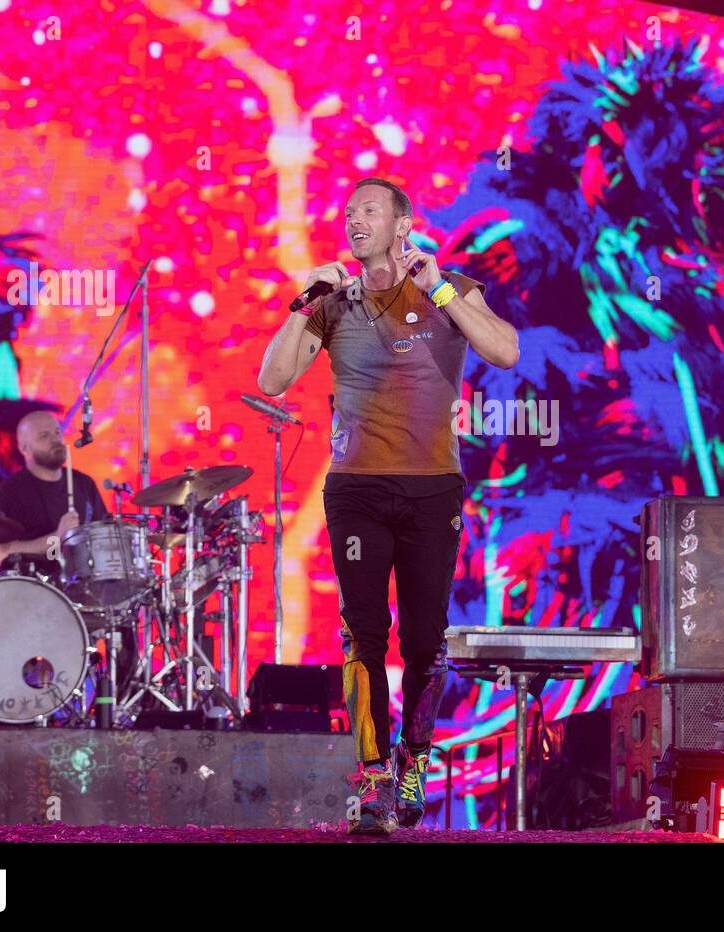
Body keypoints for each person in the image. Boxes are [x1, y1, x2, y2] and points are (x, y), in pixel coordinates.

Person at [258, 177, 519, 834]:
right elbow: (273, 380)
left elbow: (504, 351)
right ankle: (374, 776)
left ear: (403, 223)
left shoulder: (449, 286)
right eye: (348, 213)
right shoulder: (334, 303)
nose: (354, 220)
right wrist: (303, 301)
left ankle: (414, 759)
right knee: (362, 634)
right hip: (358, 491)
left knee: (426, 641)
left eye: (369, 210)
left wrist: (439, 291)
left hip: (433, 490)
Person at [0, 410, 109, 577]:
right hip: (35, 591)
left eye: (57, 432)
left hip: (85, 587)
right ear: (25, 448)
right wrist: (57, 538)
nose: (55, 440)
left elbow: (103, 535)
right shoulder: (8, 493)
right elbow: (2, 555)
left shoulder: (83, 484)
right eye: (44, 436)